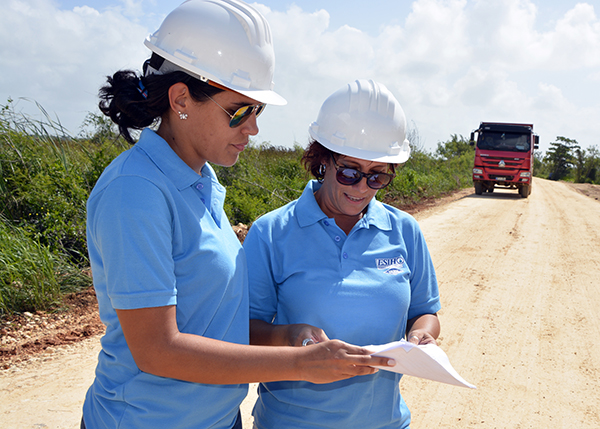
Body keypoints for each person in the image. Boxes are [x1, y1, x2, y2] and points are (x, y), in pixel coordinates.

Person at [81, 3, 393, 428]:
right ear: (181, 99)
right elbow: (157, 349)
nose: (253, 129)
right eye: (240, 111)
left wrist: (289, 338)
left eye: (258, 111)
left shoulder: (199, 181)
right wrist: (300, 366)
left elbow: (212, 319)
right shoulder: (135, 192)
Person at [243, 79, 442, 428]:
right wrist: (293, 337)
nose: (362, 187)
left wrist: (421, 335)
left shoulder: (404, 230)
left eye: (377, 176)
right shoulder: (271, 233)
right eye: (350, 172)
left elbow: (425, 312)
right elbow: (244, 330)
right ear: (323, 160)